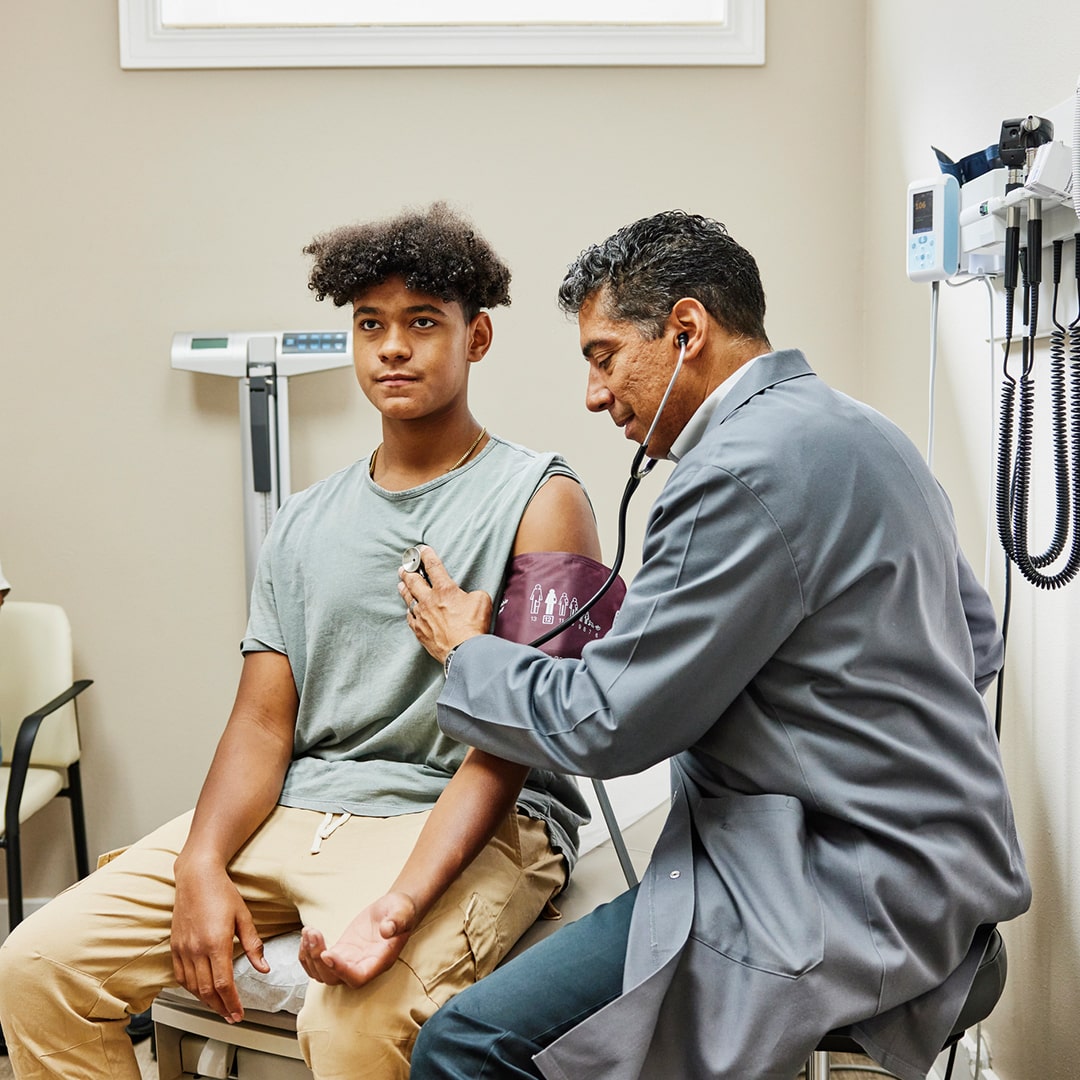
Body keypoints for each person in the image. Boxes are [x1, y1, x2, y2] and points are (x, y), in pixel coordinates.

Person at [401, 210, 1032, 1080]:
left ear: (687, 329)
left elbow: (609, 728)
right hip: (942, 878)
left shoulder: (731, 472)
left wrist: (468, 651)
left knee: (466, 1045)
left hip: (832, 894)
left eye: (604, 355)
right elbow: (977, 641)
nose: (594, 394)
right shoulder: (867, 432)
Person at [0, 203, 612, 1080]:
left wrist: (399, 906)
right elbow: (260, 725)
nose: (392, 348)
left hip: (466, 814)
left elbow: (521, 736)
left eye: (422, 323)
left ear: (477, 339)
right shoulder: (304, 522)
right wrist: (204, 864)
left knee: (353, 1022)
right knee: (35, 967)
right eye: (371, 325)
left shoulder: (542, 497)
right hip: (300, 808)